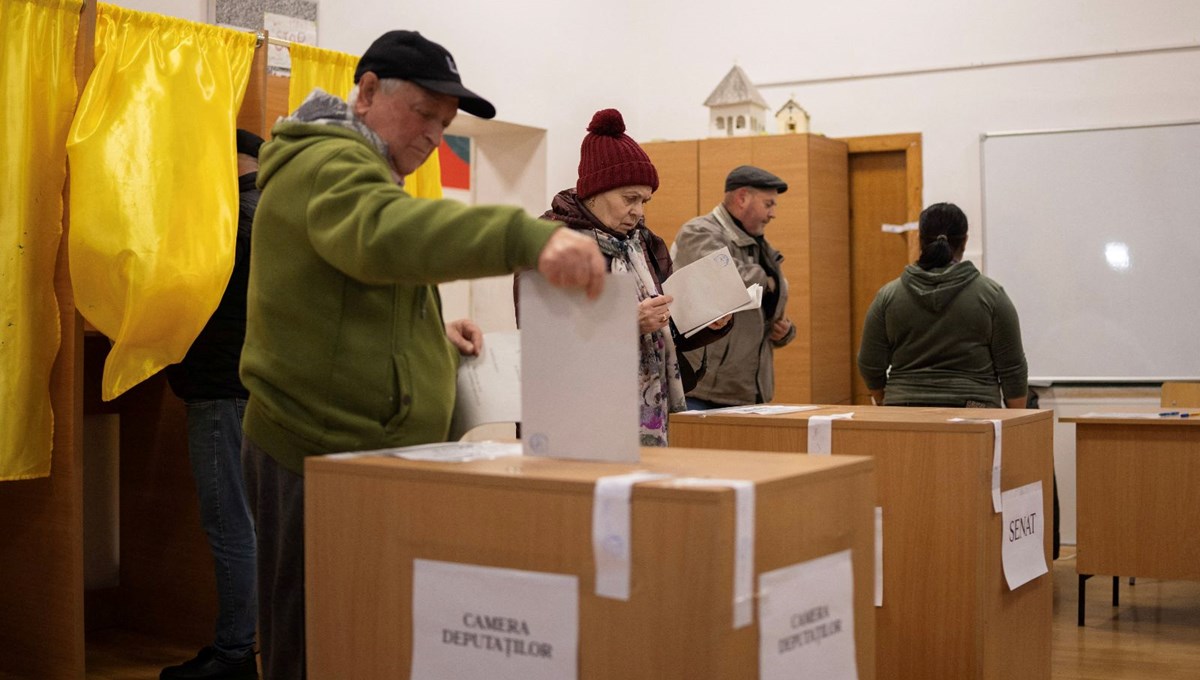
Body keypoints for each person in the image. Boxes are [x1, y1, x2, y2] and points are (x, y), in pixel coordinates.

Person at [238, 31, 606, 680]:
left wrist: (433, 337)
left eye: (445, 124)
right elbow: (379, 238)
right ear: (370, 90)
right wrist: (524, 239)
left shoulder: (367, 171)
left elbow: (350, 297)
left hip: (368, 461)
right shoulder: (325, 163)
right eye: (425, 114)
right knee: (313, 648)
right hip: (313, 457)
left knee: (364, 641)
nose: (436, 136)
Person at [529, 108, 731, 445]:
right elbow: (541, 338)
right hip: (576, 415)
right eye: (629, 199)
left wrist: (707, 320)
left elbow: (668, 325)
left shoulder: (646, 244)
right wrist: (625, 321)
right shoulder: (552, 243)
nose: (639, 211)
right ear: (594, 192)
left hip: (650, 413)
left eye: (645, 200)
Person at [160, 129, 263, 680]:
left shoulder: (230, 217)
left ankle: (233, 657)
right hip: (251, 388)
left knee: (230, 525)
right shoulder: (267, 208)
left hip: (222, 387)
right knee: (247, 524)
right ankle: (238, 646)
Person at [857, 201, 1028, 408]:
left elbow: (869, 364)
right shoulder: (992, 296)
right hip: (976, 415)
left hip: (903, 413)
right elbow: (1013, 371)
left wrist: (888, 399)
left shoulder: (888, 296)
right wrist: (1015, 426)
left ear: (919, 240)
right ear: (964, 241)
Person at [672, 165, 796, 409]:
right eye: (768, 204)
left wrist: (784, 331)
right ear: (742, 198)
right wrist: (767, 280)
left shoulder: (760, 245)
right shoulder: (698, 233)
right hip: (704, 390)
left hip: (750, 390)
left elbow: (769, 301)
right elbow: (729, 281)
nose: (773, 214)